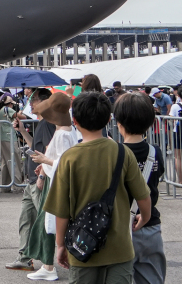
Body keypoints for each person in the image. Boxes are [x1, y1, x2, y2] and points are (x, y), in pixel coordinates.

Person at [42, 91, 150, 283]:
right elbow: (143, 196)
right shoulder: (123, 152)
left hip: (82, 248)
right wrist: (145, 218)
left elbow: (61, 211)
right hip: (119, 249)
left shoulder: (69, 158)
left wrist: (60, 245)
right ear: (108, 119)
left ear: (75, 120)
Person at [25, 93, 79, 281]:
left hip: (55, 182)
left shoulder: (62, 133)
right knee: (48, 223)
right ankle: (49, 265)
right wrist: (45, 164)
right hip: (54, 178)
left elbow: (64, 162)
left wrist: (45, 161)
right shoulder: (67, 130)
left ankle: (49, 266)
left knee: (47, 223)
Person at [114, 92, 166, 284]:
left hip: (120, 228)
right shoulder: (155, 152)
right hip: (150, 225)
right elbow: (158, 175)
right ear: (151, 123)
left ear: (119, 123)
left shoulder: (115, 153)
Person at [7, 88, 54, 272]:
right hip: (32, 180)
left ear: (45, 102)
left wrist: (41, 175)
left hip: (39, 180)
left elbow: (49, 153)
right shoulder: (42, 123)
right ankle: (24, 257)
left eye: (34, 99)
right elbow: (35, 147)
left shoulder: (48, 124)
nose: (30, 103)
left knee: (45, 222)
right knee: (26, 219)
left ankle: (49, 262)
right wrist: (22, 131)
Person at [0, 93, 22, 192]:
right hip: (8, 137)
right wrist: (20, 112)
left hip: (1, 137)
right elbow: (21, 117)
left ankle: (4, 186)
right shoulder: (8, 109)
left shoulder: (0, 109)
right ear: (10, 103)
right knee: (14, 161)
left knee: (5, 162)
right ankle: (17, 186)